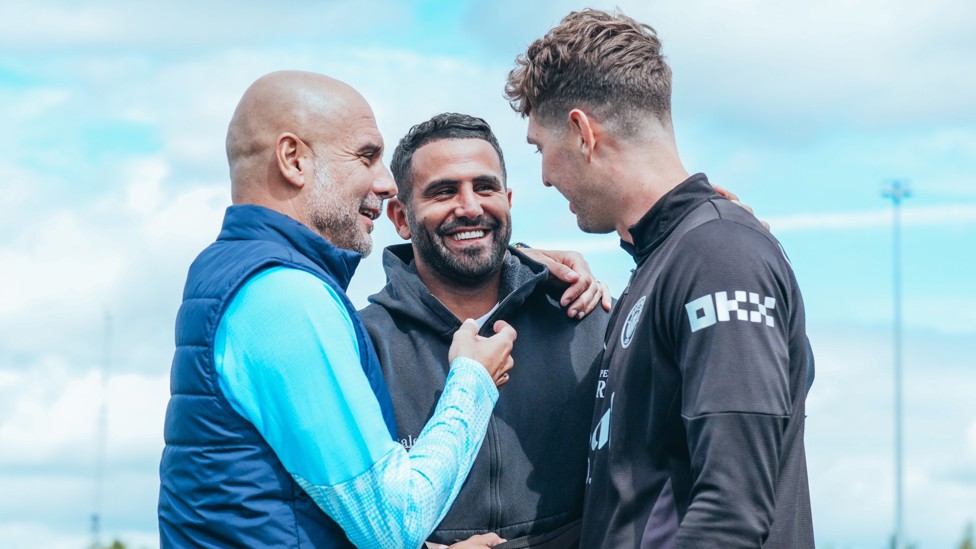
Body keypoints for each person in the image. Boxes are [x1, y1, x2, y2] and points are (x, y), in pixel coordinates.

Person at [157, 71, 518, 549]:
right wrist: (472, 381)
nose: (387, 183)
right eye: (366, 156)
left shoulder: (235, 274)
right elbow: (394, 523)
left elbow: (283, 505)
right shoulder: (284, 297)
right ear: (294, 160)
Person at [506, 9, 815, 548]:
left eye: (539, 148)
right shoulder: (664, 264)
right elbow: (630, 513)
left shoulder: (720, 257)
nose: (544, 176)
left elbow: (731, 514)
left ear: (582, 132)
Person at [359, 113, 612, 548]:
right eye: (443, 191)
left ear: (509, 200)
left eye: (485, 187)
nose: (471, 207)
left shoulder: (586, 318)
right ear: (401, 218)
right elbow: (336, 509)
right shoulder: (364, 345)